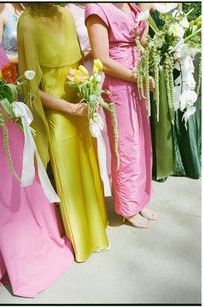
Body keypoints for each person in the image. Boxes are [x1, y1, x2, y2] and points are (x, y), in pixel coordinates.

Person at [0, 3, 74, 298]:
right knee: (3, 203)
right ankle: (16, 262)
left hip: (13, 132)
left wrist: (15, 101)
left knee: (27, 193)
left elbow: (10, 82)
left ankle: (40, 247)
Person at [17, 4, 109, 263]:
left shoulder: (67, 15)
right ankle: (82, 239)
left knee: (90, 169)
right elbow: (31, 88)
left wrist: (89, 95)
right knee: (69, 176)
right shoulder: (28, 23)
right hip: (58, 112)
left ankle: (97, 231)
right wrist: (68, 107)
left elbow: (79, 65)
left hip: (81, 103)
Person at [86, 3, 157, 228]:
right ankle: (127, 206)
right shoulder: (97, 9)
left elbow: (142, 40)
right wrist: (137, 77)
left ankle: (139, 198)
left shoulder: (133, 5)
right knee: (125, 146)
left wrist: (165, 47)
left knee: (142, 143)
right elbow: (102, 60)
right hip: (118, 84)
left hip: (139, 81)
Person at [138, 3, 201, 180]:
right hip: (159, 61)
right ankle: (165, 163)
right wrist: (163, 49)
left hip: (178, 61)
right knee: (163, 107)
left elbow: (182, 28)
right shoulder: (146, 3)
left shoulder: (178, 2)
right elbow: (142, 37)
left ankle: (186, 160)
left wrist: (183, 49)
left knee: (183, 103)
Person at [66, 2, 112, 183]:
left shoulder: (106, 6)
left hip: (112, 72)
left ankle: (121, 188)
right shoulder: (67, 12)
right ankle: (99, 184)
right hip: (88, 75)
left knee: (115, 130)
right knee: (97, 130)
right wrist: (91, 51)